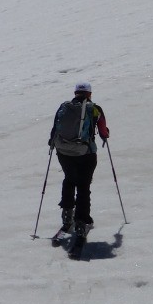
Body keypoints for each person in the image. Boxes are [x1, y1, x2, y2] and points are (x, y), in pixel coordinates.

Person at [49, 81, 109, 234]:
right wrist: (105, 133)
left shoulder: (64, 107)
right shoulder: (95, 109)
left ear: (75, 93)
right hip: (86, 153)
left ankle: (67, 215)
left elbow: (55, 129)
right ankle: (82, 220)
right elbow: (103, 132)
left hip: (64, 152)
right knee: (83, 185)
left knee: (69, 180)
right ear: (89, 94)